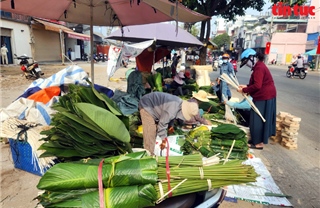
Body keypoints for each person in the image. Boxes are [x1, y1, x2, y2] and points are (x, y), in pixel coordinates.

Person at [238, 48, 276, 150]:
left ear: (252, 58)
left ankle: (258, 143)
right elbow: (255, 84)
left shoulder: (259, 68)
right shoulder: (258, 67)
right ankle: (256, 139)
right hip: (264, 95)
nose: (247, 64)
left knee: (257, 119)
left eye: (246, 62)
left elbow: (257, 86)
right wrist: (245, 86)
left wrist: (245, 90)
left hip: (265, 96)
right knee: (256, 118)